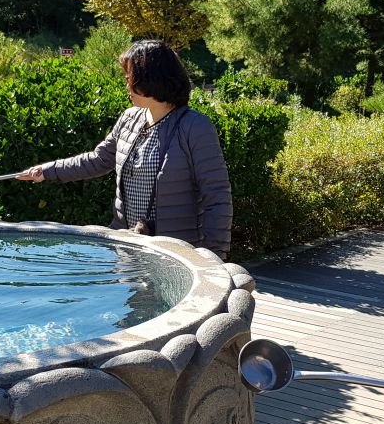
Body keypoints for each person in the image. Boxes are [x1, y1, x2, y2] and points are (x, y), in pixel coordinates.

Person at [17, 39, 233, 259]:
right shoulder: (130, 118)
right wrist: (46, 171)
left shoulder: (196, 127)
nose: (126, 84)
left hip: (175, 255)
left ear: (150, 79)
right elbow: (98, 159)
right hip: (127, 246)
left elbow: (217, 196)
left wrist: (214, 256)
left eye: (130, 77)